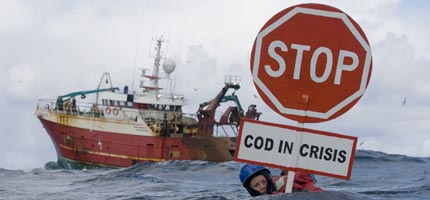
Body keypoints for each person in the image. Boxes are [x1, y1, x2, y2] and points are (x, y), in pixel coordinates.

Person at [239, 164, 323, 197]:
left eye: (264, 181)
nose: (262, 187)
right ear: (250, 190)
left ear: (268, 179)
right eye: (256, 185)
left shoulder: (285, 185)